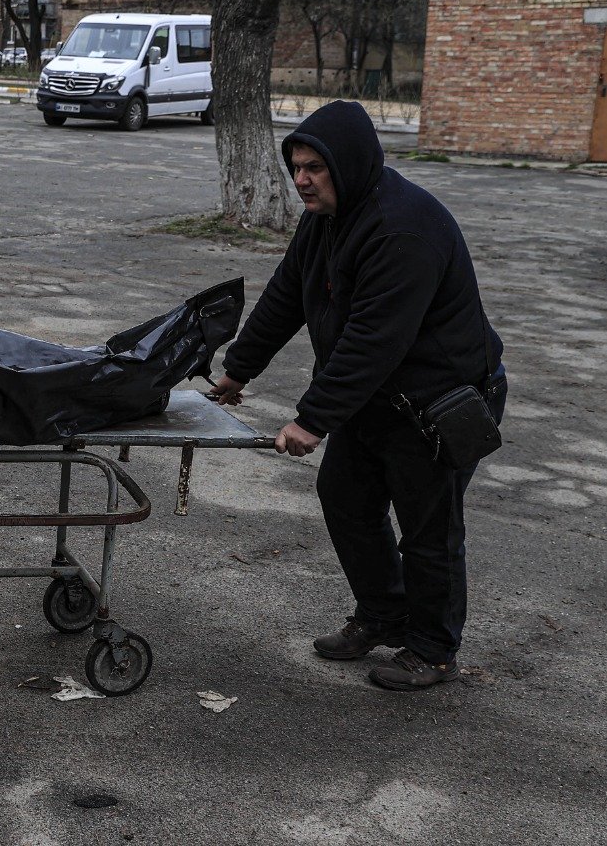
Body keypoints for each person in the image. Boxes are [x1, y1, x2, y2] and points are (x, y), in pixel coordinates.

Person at [208, 100, 506, 692]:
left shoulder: (404, 229)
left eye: (314, 167)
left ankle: (433, 648)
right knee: (345, 497)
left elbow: (375, 339)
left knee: (430, 528)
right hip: (378, 398)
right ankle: (383, 614)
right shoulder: (324, 220)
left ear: (349, 163)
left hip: (439, 402)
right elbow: (287, 295)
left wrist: (312, 419)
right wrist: (239, 370)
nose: (301, 181)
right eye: (295, 167)